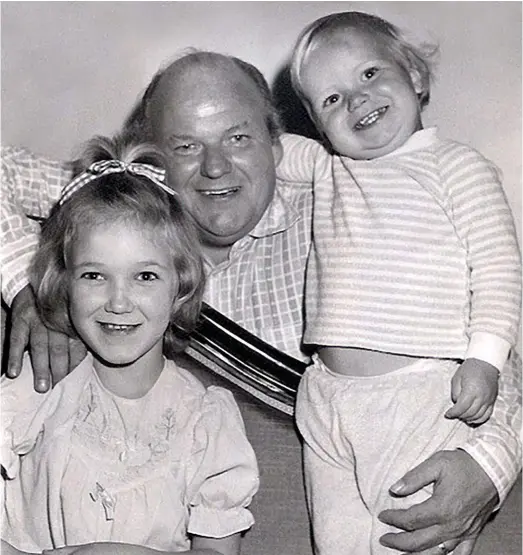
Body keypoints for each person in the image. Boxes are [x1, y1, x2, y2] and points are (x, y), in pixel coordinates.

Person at [1, 50, 521, 555]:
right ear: (150, 159)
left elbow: (488, 316)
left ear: (277, 146)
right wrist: (29, 287)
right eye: (185, 147)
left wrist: (489, 462)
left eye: (238, 138)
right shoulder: (116, 220)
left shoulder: (349, 207)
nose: (214, 168)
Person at [275, 11, 522, 554]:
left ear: (412, 73)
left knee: (409, 539)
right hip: (325, 399)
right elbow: (250, 147)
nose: (356, 100)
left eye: (368, 75)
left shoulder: (456, 166)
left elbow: (500, 269)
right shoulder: (327, 167)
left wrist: (485, 357)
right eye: (331, 100)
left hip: (416, 395)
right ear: (317, 123)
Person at [1, 134, 259, 555]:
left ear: (182, 285)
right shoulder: (39, 387)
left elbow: (217, 551)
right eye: (94, 276)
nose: (118, 302)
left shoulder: (207, 420)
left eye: (145, 277)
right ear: (63, 284)